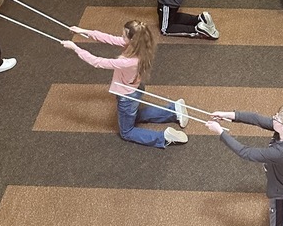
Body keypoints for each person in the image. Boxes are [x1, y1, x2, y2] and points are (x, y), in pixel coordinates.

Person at [61, 19, 189, 147]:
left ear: (132, 39)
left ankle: (163, 137)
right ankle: (173, 110)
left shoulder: (127, 62)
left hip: (127, 96)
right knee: (133, 114)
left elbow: (97, 62)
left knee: (127, 132)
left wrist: (75, 48)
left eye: (123, 35)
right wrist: (83, 31)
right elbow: (108, 38)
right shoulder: (140, 46)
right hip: (135, 88)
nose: (121, 37)